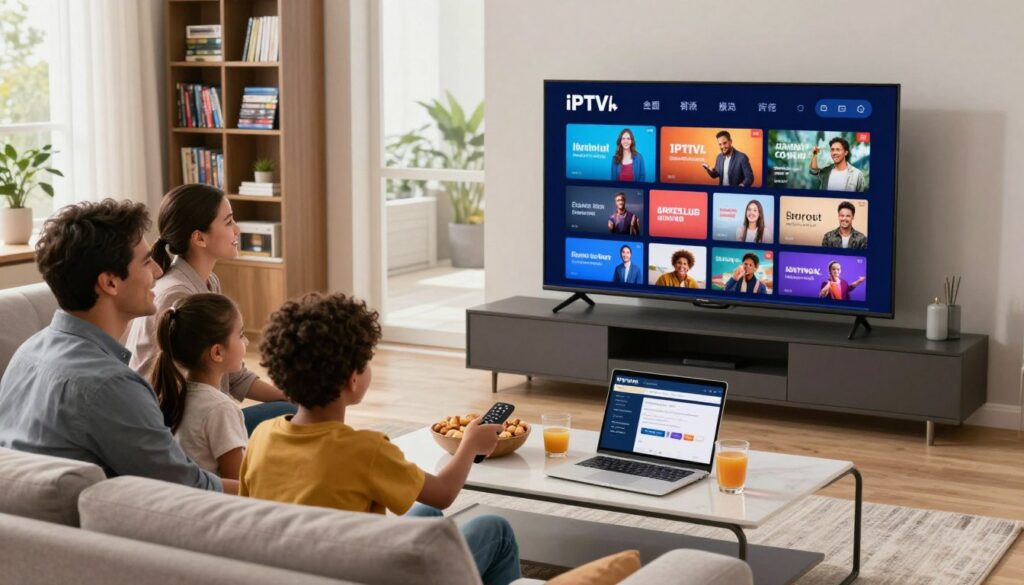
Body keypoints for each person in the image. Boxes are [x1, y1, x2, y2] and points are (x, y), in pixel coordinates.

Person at [239, 293, 521, 585]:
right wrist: (470, 445)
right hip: (369, 576)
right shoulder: (365, 450)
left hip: (300, 573)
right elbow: (444, 492)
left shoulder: (261, 437)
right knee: (495, 529)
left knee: (427, 513)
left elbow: (248, 517)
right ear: (353, 379)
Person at [0, 199, 227, 493]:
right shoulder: (111, 385)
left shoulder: (28, 352)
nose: (158, 271)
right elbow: (189, 490)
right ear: (109, 283)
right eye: (146, 262)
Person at [124, 184, 295, 435]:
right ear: (199, 237)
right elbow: (178, 390)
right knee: (292, 417)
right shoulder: (177, 295)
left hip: (204, 413)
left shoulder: (207, 282)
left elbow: (232, 375)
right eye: (228, 222)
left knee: (293, 407)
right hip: (180, 427)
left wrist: (293, 395)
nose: (237, 229)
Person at [150, 294, 249, 479]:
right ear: (217, 352)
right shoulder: (221, 409)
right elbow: (239, 484)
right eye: (241, 335)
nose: (246, 342)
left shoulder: (174, 393)